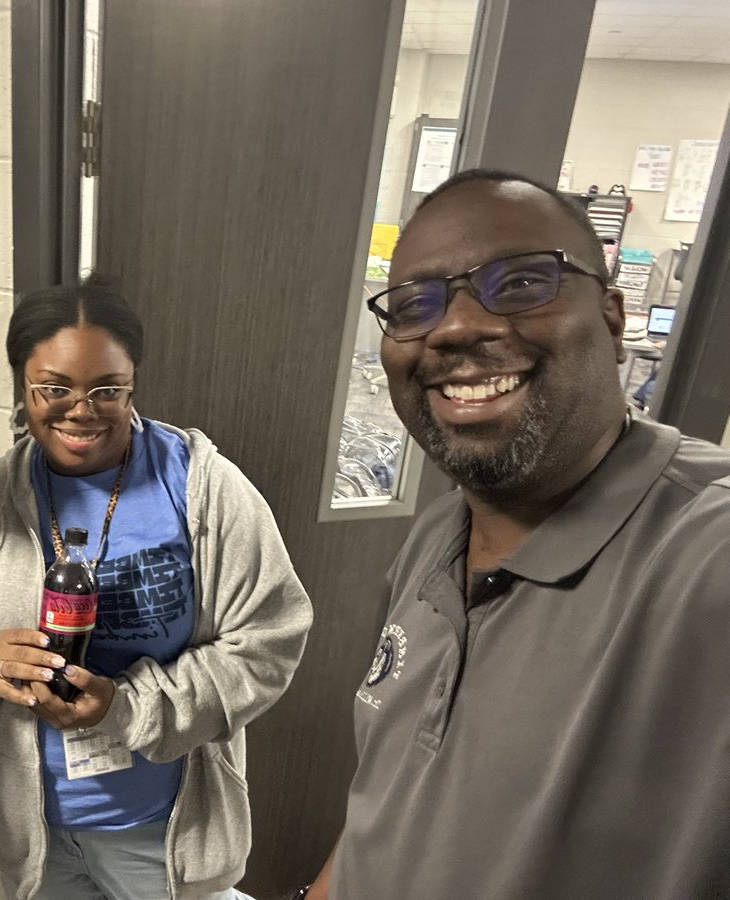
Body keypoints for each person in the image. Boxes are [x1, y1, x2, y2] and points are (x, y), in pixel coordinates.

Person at [304, 169, 730, 900]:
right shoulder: (435, 543)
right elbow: (394, 792)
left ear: (613, 313)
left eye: (524, 283)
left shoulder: (700, 556)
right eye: (415, 304)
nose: (459, 326)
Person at [0, 282, 313, 900]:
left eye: (106, 389)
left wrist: (127, 707)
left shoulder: (203, 490)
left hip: (160, 832)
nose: (80, 410)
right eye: (54, 388)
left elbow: (268, 642)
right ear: (23, 385)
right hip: (34, 831)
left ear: (132, 382)